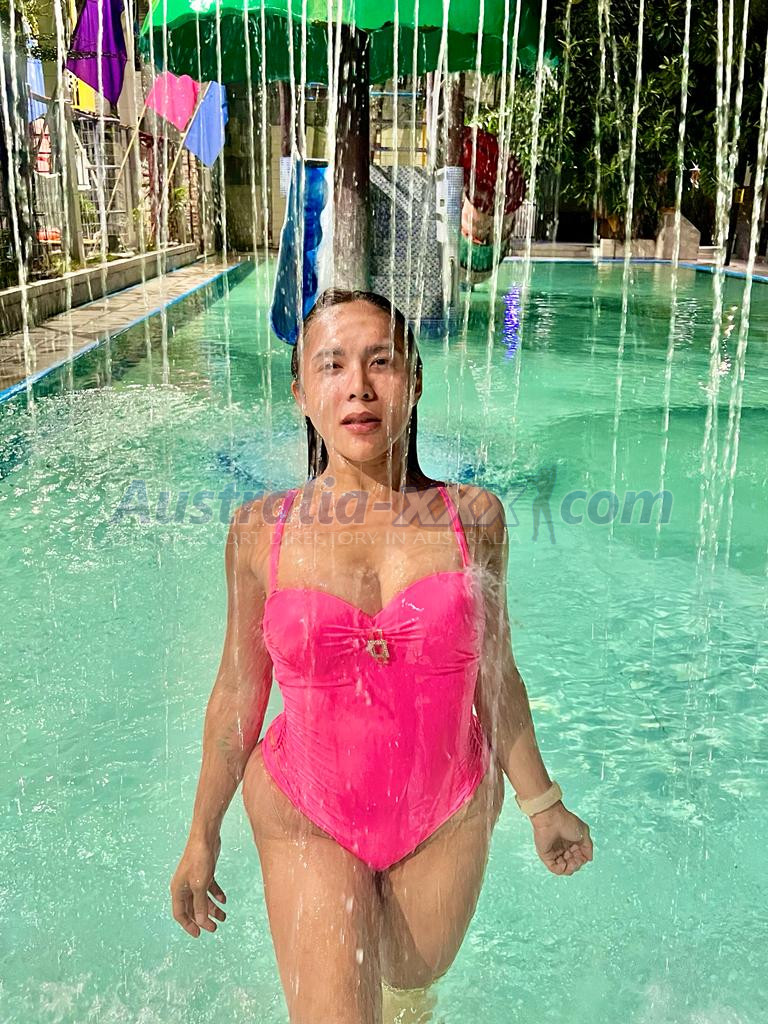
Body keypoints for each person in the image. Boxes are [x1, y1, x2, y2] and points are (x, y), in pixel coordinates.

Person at [170, 289, 594, 1024]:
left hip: (447, 808)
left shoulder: (473, 519)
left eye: (382, 362)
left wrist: (542, 805)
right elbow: (238, 692)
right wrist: (200, 835)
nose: (359, 387)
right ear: (301, 392)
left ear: (416, 380)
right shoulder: (259, 531)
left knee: (407, 995)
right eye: (332, 365)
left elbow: (496, 677)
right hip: (306, 810)